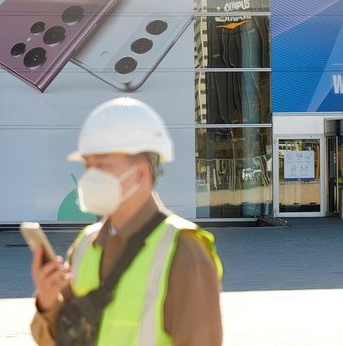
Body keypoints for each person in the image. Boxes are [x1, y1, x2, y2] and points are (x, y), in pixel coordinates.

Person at [29, 97, 223, 345]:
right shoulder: (86, 244)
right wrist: (47, 299)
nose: (90, 177)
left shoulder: (185, 250)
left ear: (141, 172)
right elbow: (61, 339)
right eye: (88, 166)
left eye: (102, 165)